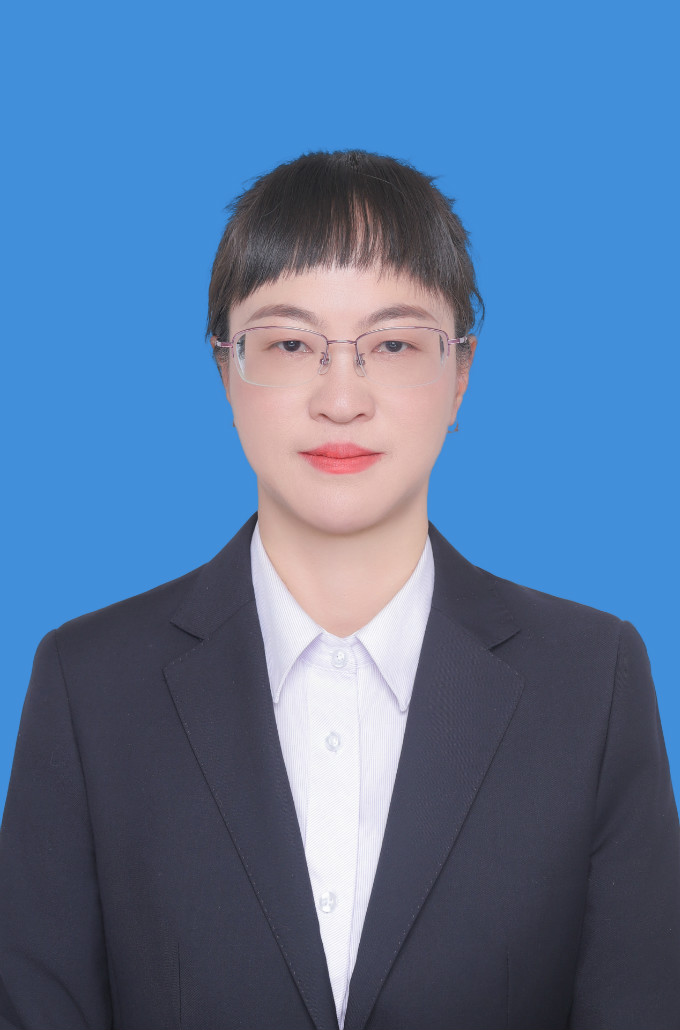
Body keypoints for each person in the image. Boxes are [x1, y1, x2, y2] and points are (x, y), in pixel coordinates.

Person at [0, 150, 678, 1030]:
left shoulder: (592, 680)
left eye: (394, 345)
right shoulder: (88, 684)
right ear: (225, 369)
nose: (342, 398)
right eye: (290, 345)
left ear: (461, 374)